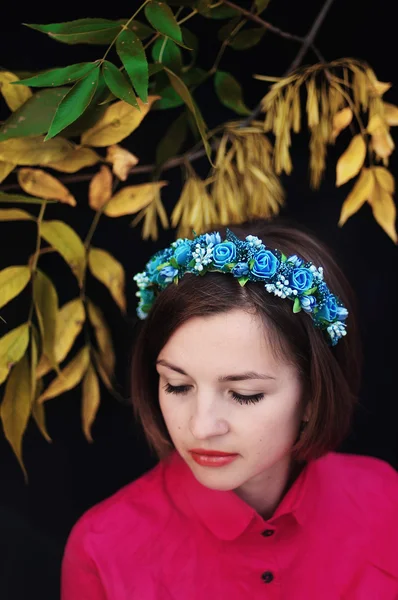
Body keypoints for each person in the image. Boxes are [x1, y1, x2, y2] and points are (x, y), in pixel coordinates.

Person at [61, 219, 398, 599]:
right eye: (178, 385)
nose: (202, 426)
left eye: (244, 394)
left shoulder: (386, 500)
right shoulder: (102, 548)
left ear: (311, 395)